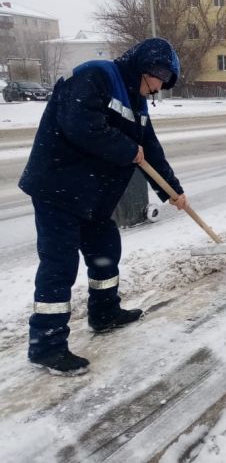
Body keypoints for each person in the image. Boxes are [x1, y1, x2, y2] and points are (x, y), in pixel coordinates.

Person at [18, 37, 189, 376]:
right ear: (148, 68)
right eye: (160, 80)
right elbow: (79, 125)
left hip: (92, 195)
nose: (158, 88)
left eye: (164, 84)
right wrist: (126, 149)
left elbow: (150, 151)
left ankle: (105, 313)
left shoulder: (137, 103)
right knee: (60, 264)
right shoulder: (96, 77)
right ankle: (47, 345)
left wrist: (172, 191)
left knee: (106, 251)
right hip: (58, 188)